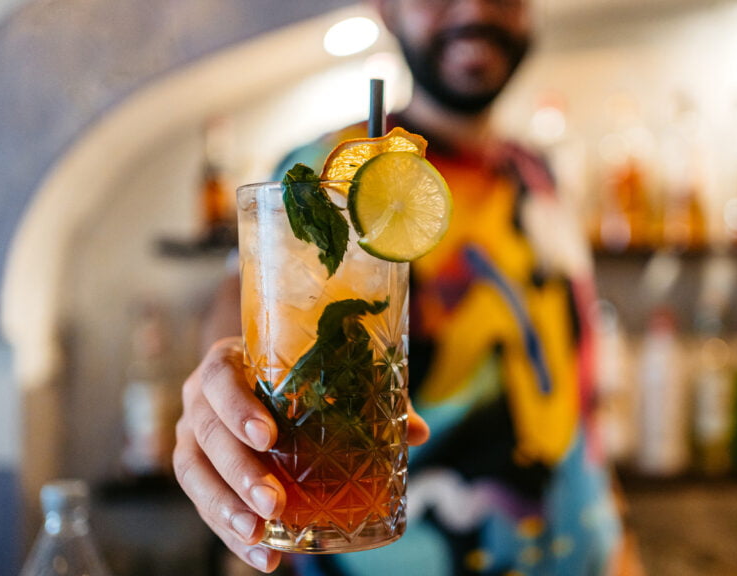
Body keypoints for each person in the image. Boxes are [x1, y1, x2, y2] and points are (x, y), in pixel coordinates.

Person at [175, 0, 637, 573]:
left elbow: (578, 401)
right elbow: (246, 300)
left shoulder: (538, 175)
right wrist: (219, 384)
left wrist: (617, 547)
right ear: (386, 9)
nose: (474, 7)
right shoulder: (335, 168)